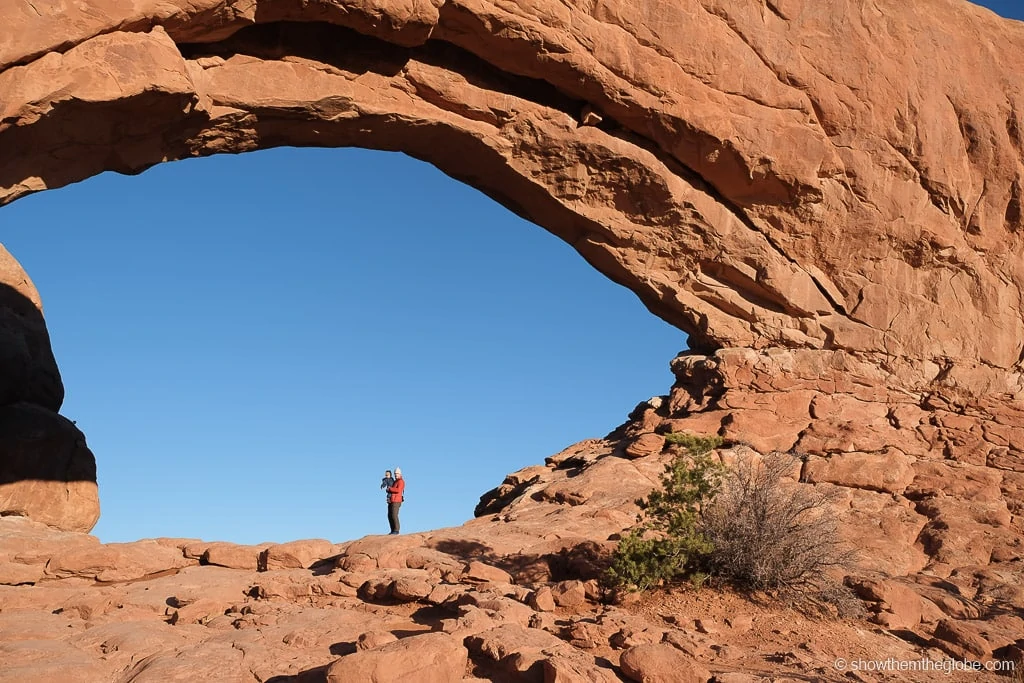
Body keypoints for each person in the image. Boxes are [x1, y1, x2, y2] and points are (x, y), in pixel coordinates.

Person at [386, 467, 405, 535]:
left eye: (397, 473)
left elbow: (398, 490)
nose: (396, 475)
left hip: (397, 501)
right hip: (392, 500)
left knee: (394, 515)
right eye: (395, 473)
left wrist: (390, 489)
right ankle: (392, 530)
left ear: (400, 474)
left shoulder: (401, 481)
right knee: (389, 515)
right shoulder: (395, 481)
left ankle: (396, 530)